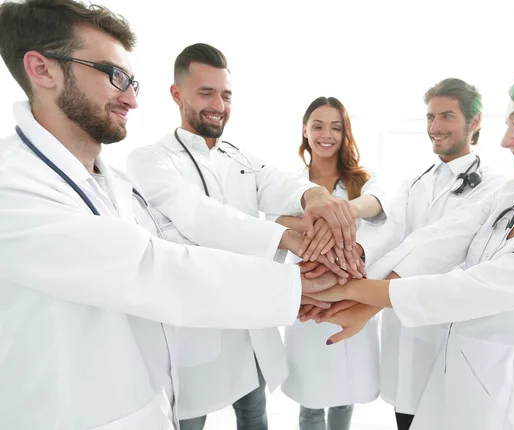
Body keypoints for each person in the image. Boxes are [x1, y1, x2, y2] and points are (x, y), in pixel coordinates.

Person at [0, 2, 340, 429]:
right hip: (81, 412)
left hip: (166, 381)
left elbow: (266, 187)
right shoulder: (12, 187)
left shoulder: (115, 183)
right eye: (114, 75)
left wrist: (311, 198)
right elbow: (154, 261)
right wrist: (295, 274)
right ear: (42, 69)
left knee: (253, 411)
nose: (130, 97)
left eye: (131, 80)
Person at [307, 60, 514, 430]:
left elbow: (475, 288)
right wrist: (364, 302)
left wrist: (349, 288)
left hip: (504, 402)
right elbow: (437, 239)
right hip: (449, 382)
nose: (506, 140)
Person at [126, 45, 364, 430]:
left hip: (248, 322)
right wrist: (287, 237)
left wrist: (313, 195)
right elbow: (197, 215)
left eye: (225, 94)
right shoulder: (150, 159)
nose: (218, 104)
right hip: (195, 326)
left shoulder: (240, 156)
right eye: (206, 93)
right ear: (177, 94)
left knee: (254, 416)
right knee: (190, 418)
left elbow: (278, 181)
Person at [350, 78, 509, 429]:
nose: (435, 127)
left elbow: (441, 247)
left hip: (448, 325)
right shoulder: (417, 180)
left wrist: (362, 294)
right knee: (406, 415)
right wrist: (356, 255)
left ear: (475, 121)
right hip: (401, 320)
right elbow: (390, 228)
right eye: (430, 117)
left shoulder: (496, 186)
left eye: (447, 116)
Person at [271, 96, 389, 430]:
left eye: (336, 127)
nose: (327, 134)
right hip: (307, 295)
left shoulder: (362, 182)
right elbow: (271, 221)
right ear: (305, 130)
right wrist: (322, 222)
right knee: (311, 396)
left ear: (345, 133)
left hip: (351, 292)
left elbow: (381, 224)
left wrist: (325, 220)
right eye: (318, 125)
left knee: (345, 394)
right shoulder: (287, 183)